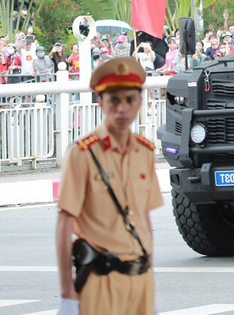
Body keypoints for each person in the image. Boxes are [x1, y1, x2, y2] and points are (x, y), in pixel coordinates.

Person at [56, 57, 163, 315]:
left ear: (139, 102)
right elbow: (64, 224)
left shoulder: (145, 152)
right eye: (114, 100)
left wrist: (149, 271)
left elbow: (143, 218)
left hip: (140, 279)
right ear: (101, 102)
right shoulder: (82, 154)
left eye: (129, 99)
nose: (122, 108)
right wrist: (68, 293)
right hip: (100, 281)